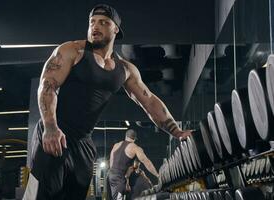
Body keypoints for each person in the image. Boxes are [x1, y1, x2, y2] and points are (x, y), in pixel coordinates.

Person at [23, 4, 192, 200]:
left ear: (116, 29)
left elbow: (149, 101)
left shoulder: (125, 69)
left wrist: (177, 132)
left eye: (103, 22)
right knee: (41, 196)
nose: (95, 26)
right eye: (92, 22)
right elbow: (47, 86)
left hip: (83, 144)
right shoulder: (72, 50)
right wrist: (51, 127)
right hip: (55, 133)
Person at [107, 129, 157, 200]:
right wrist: (157, 175)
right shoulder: (135, 148)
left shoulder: (116, 145)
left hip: (111, 177)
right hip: (119, 178)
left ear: (126, 136)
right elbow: (147, 162)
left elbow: (111, 163)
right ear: (134, 139)